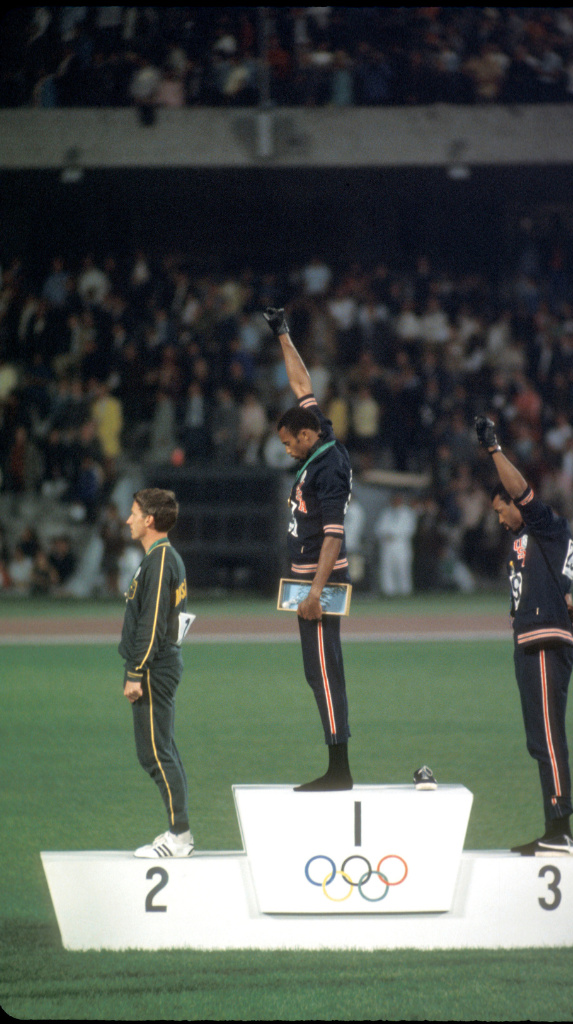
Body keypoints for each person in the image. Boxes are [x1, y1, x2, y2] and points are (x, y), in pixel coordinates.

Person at [475, 415, 573, 857]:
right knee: (538, 738)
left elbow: (521, 491)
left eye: (500, 508)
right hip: (533, 638)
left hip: (544, 642)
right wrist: (566, 603)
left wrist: (493, 449)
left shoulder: (544, 525)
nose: (501, 517)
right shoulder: (533, 541)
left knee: (548, 735)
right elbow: (555, 582)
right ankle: (553, 828)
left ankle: (561, 831)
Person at [263, 306, 353, 792]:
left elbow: (334, 534)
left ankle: (339, 769)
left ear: (305, 435)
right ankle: (337, 763)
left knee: (324, 668)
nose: (286, 450)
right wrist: (283, 333)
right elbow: (302, 385)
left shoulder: (328, 468)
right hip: (308, 576)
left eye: (287, 443)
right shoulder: (318, 433)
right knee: (315, 670)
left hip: (321, 577)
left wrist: (315, 592)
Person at [119, 488, 193, 858]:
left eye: (133, 513)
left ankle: (179, 836)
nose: (128, 519)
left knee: (155, 754)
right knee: (161, 750)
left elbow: (151, 625)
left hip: (153, 667)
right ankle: (179, 832)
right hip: (159, 664)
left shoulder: (160, 559)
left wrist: (135, 671)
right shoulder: (160, 558)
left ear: (150, 519)